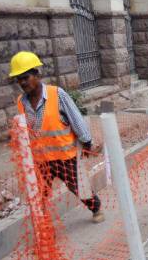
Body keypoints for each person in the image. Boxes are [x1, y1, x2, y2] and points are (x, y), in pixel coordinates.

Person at [9, 51, 104, 223]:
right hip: (40, 160)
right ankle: (43, 228)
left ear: (37, 74)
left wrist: (86, 142)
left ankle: (95, 208)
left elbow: (75, 118)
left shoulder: (57, 94)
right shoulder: (21, 102)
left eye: (26, 77)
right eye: (19, 79)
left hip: (64, 157)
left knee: (77, 187)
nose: (22, 82)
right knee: (39, 194)